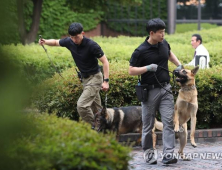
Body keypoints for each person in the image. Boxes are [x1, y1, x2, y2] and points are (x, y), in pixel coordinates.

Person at [129, 18, 181, 165]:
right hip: (149, 91)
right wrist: (147, 68)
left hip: (166, 89)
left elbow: (169, 53)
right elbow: (131, 70)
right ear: (151, 33)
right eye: (160, 33)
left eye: (164, 32)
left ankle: (168, 155)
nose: (163, 35)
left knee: (168, 122)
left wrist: (178, 64)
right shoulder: (140, 51)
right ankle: (149, 154)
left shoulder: (164, 43)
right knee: (148, 125)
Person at [39, 22, 109, 127]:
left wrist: (106, 81)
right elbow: (56, 42)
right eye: (72, 37)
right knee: (97, 109)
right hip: (85, 79)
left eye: (76, 37)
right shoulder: (69, 41)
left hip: (95, 78)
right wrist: (45, 42)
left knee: (82, 106)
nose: (74, 40)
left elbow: (105, 62)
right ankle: (105, 129)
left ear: (83, 33)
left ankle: (94, 128)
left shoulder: (92, 45)